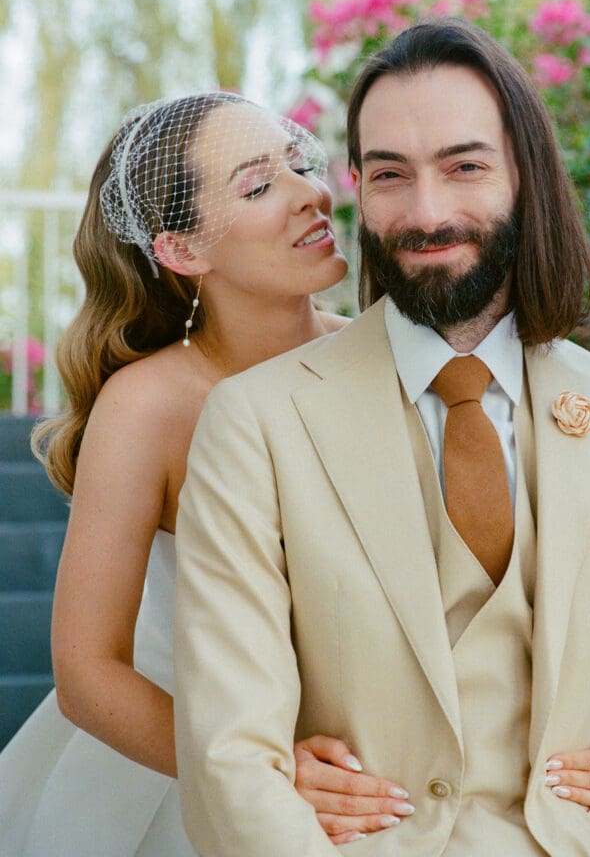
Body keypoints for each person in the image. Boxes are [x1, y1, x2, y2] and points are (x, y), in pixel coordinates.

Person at [174, 19, 590, 856]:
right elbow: (229, 759)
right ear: (358, 192)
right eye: (390, 175)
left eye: (465, 166)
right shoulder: (254, 424)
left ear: (527, 175)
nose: (428, 211)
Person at [0, 92, 424, 855]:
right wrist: (256, 773)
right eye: (260, 186)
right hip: (184, 753)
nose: (312, 193)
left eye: (300, 162)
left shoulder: (385, 360)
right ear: (182, 251)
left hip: (383, 759)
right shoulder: (146, 409)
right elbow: (87, 672)